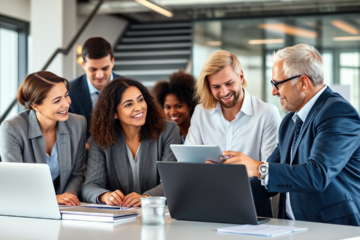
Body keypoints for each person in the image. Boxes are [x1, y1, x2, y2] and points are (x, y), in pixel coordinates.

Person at [224, 44, 360, 226]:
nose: (273, 91)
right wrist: (222, 193)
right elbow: (269, 178)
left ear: (303, 82)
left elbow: (317, 175)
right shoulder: (290, 122)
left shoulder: (337, 112)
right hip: (291, 227)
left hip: (330, 228)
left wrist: (258, 168)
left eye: (278, 84)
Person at [185, 50, 281, 217]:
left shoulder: (267, 113)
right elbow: (187, 162)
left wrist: (246, 169)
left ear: (241, 77)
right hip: (209, 202)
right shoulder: (201, 112)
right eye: (216, 86)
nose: (224, 92)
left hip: (254, 205)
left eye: (229, 83)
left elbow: (270, 170)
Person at [82, 77, 181, 207]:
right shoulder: (101, 138)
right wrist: (105, 196)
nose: (139, 107)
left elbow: (171, 182)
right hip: (120, 217)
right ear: (114, 113)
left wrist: (146, 198)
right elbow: (90, 186)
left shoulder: (168, 130)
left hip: (156, 213)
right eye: (129, 104)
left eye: (140, 100)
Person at [0, 71, 86, 206]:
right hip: (25, 206)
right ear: (36, 106)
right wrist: (52, 199)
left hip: (66, 208)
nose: (66, 104)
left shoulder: (78, 124)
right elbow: (15, 182)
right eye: (57, 100)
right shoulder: (12, 128)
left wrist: (67, 198)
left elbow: (77, 174)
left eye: (66, 96)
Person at [69, 37, 119, 144]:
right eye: (93, 69)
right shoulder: (69, 91)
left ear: (113, 62)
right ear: (83, 65)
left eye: (105, 68)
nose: (100, 75)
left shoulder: (128, 88)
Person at [152, 70, 198, 143]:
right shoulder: (165, 134)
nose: (172, 112)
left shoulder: (200, 130)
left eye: (178, 106)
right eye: (167, 107)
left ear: (190, 106)